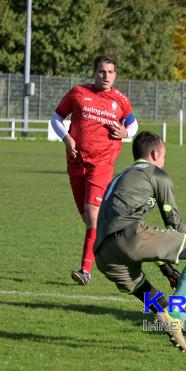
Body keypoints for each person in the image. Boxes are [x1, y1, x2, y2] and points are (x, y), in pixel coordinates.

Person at [94, 131, 186, 352]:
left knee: (160, 305)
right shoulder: (157, 174)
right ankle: (176, 311)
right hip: (131, 237)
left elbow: (152, 244)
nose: (163, 162)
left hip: (104, 254)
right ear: (154, 154)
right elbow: (174, 222)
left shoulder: (120, 176)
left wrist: (167, 269)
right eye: (163, 157)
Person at [50, 55, 139, 285]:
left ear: (115, 75)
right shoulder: (78, 92)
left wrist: (125, 133)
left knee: (92, 215)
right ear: (95, 73)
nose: (106, 76)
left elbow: (133, 124)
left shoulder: (120, 100)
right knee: (90, 221)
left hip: (102, 164)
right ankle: (119, 245)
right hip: (76, 162)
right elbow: (57, 117)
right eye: (102, 71)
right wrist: (66, 138)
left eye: (110, 72)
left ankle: (85, 270)